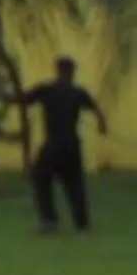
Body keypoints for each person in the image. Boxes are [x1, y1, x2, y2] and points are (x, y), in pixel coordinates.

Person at [17, 56, 110, 235]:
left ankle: (49, 221)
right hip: (72, 145)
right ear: (73, 73)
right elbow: (96, 109)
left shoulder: (46, 90)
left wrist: (9, 95)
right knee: (75, 184)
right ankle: (82, 225)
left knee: (39, 177)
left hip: (53, 145)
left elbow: (24, 99)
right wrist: (102, 125)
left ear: (57, 70)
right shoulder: (78, 92)